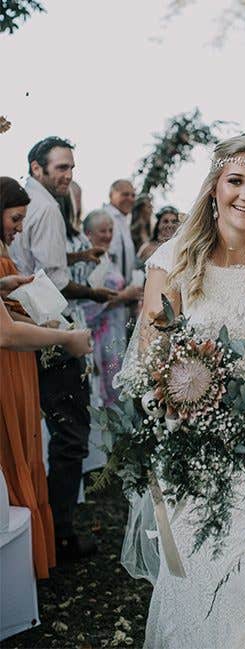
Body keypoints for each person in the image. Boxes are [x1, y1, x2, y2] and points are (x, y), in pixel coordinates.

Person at [130, 135, 245, 647]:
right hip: (190, 454)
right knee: (190, 588)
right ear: (214, 186)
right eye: (236, 181)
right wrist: (180, 400)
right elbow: (150, 361)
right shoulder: (174, 261)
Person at [9, 137, 116, 562]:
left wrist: (76, 256)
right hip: (47, 329)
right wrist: (94, 292)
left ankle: (44, 529)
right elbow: (52, 282)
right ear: (37, 168)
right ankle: (61, 535)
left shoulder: (23, 201)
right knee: (70, 434)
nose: (68, 175)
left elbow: (36, 264)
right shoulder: (49, 209)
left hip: (22, 327)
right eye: (61, 168)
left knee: (43, 432)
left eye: (71, 167)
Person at [0, 176, 92, 580]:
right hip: (9, 362)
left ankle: (35, 553)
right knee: (14, 450)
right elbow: (5, 333)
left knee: (28, 445)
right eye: (15, 219)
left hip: (18, 363)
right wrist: (66, 338)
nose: (19, 228)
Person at [79, 209, 140, 408]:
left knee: (118, 388)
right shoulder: (86, 261)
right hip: (97, 337)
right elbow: (86, 305)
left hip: (116, 331)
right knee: (104, 394)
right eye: (102, 231)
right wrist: (124, 296)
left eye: (110, 230)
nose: (107, 235)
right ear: (88, 233)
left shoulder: (107, 258)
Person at [102, 179, 139, 289]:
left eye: (133, 195)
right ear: (111, 195)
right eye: (125, 194)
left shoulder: (123, 220)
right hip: (110, 290)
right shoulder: (105, 217)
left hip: (124, 291)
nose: (130, 199)